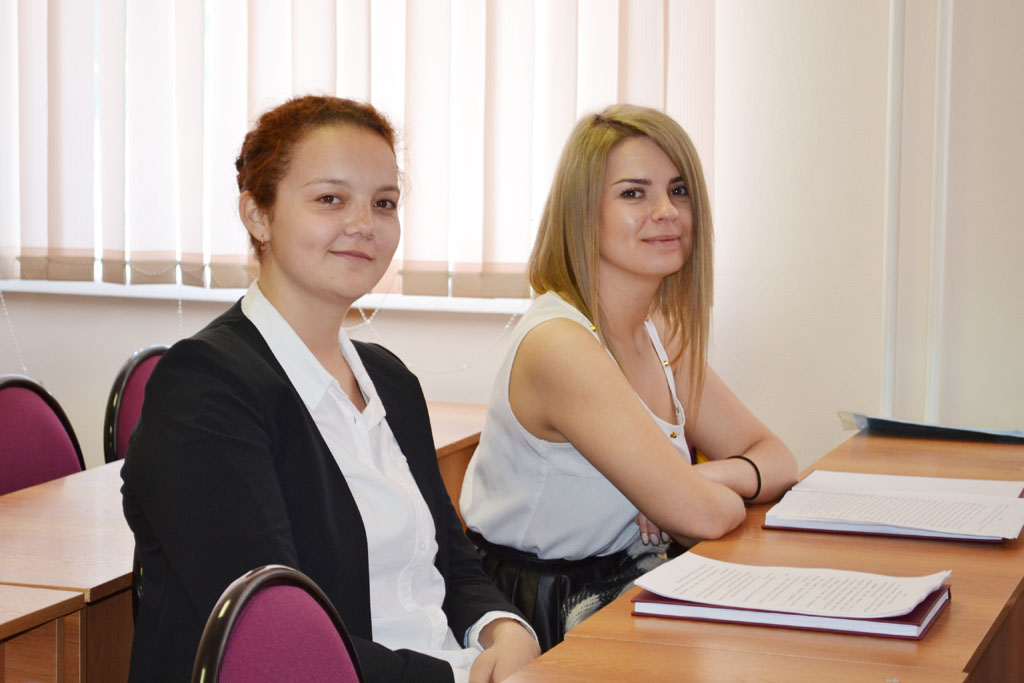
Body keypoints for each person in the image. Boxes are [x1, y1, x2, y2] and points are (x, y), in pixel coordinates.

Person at [121, 95, 539, 683]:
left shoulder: (389, 379)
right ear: (257, 215)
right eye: (330, 199)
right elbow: (278, 638)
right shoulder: (205, 389)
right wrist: (463, 678)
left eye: (383, 203)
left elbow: (451, 561)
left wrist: (507, 630)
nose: (364, 224)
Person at [459, 104, 798, 650]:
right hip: (544, 611)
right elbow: (701, 518)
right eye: (634, 193)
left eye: (679, 191)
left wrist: (709, 477)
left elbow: (777, 458)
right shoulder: (560, 345)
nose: (666, 211)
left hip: (633, 576)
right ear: (581, 213)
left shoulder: (661, 329)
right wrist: (695, 492)